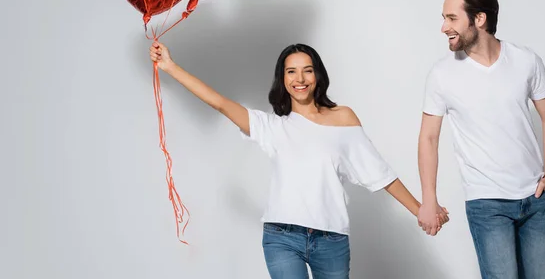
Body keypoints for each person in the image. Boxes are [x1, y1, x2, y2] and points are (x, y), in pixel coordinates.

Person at [150, 42, 448, 279]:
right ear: (282, 78)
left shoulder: (343, 118)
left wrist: (421, 210)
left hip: (332, 241)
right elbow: (220, 103)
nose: (300, 79)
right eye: (291, 72)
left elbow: (379, 173)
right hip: (282, 238)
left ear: (318, 75)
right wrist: (169, 66)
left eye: (307, 70)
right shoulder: (273, 126)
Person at [417, 0, 545, 279]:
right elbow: (429, 138)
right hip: (487, 202)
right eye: (444, 18)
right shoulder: (442, 74)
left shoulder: (526, 61)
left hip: (535, 200)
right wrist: (428, 199)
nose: (444, 27)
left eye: (452, 18)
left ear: (479, 19)